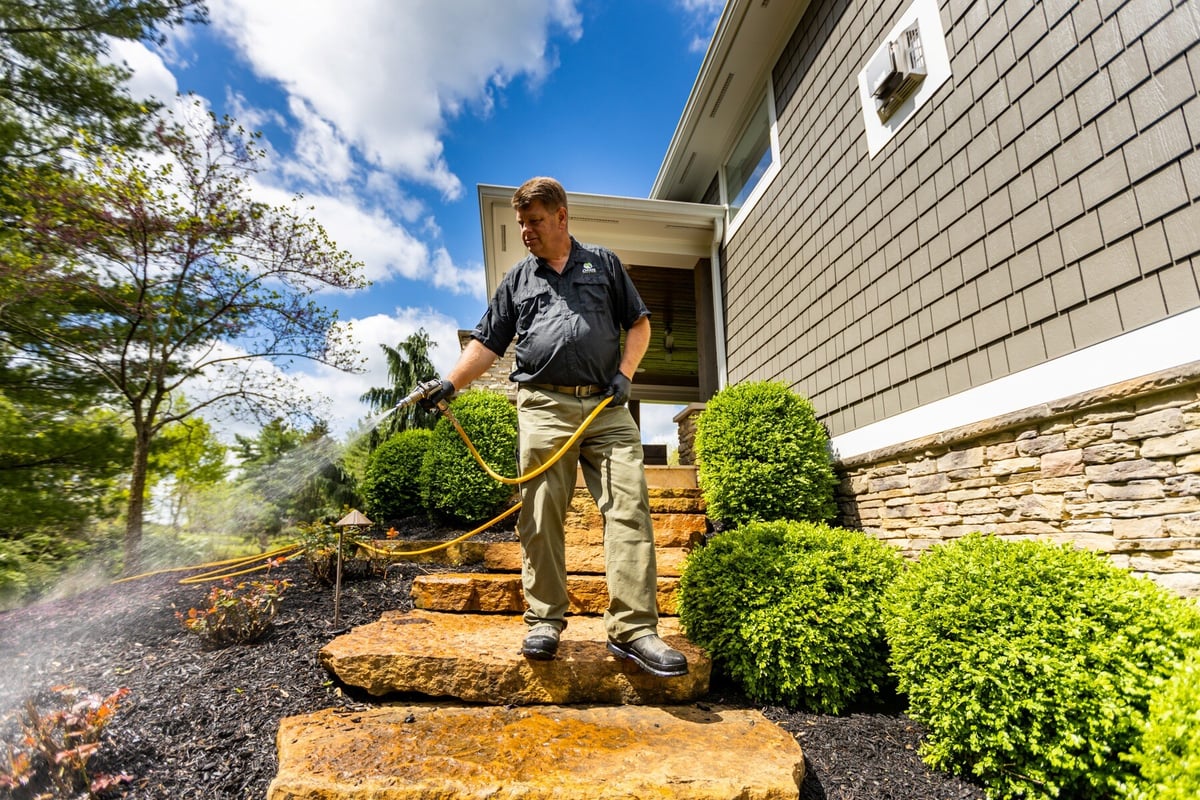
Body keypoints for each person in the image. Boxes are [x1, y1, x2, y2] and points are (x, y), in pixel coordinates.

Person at [420, 176, 687, 678]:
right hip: (544, 407)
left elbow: (639, 323)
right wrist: (451, 383)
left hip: (605, 408)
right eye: (521, 223)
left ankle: (634, 631)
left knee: (629, 508)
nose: (526, 231)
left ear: (562, 217)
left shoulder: (603, 265)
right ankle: (544, 620)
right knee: (540, 516)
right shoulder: (519, 280)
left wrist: (625, 375)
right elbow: (487, 344)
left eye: (535, 221)